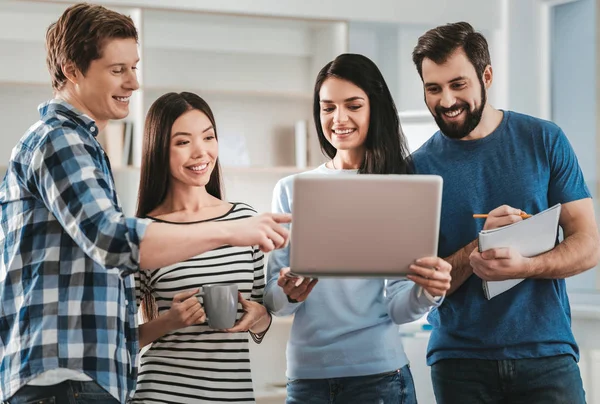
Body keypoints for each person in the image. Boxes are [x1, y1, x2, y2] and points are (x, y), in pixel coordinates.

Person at [0, 4, 289, 404]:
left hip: (77, 377)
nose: (134, 82)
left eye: (134, 67)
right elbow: (114, 242)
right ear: (71, 70)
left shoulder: (81, 144)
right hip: (66, 380)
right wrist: (231, 231)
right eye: (118, 69)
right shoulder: (61, 140)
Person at [410, 21, 600, 404]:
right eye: (434, 88)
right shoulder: (415, 168)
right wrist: (479, 248)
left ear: (487, 75)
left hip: (546, 354)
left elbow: (589, 244)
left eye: (458, 84)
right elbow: (418, 287)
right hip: (459, 362)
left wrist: (526, 266)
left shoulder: (544, 140)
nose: (446, 101)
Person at [263, 53, 453, 404]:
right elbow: (275, 303)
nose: (339, 119)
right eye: (327, 107)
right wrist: (288, 292)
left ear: (373, 109)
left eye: (353, 105)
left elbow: (399, 307)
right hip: (307, 381)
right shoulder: (291, 190)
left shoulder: (401, 189)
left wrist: (429, 292)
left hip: (379, 377)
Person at [130, 92, 272, 403]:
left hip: (232, 395)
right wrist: (170, 321)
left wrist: (260, 318)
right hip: (162, 395)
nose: (201, 151)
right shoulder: (145, 232)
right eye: (183, 142)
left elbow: (260, 314)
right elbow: (115, 339)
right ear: (159, 151)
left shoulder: (244, 220)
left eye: (208, 137)